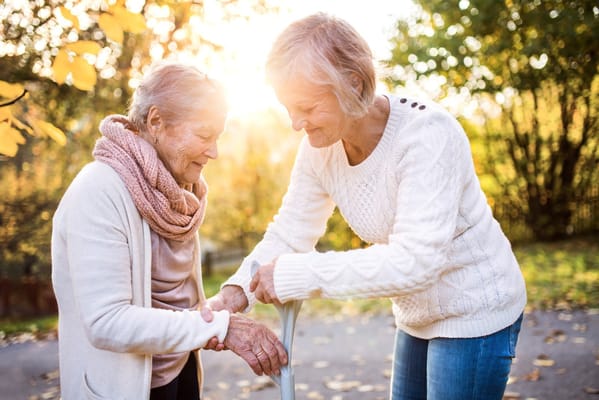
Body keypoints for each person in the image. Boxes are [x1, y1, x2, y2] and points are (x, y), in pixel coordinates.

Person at [206, 12, 527, 400]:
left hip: (474, 310)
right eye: (287, 107)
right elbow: (291, 232)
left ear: (352, 83)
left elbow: (416, 262)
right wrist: (236, 291)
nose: (295, 123)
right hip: (417, 316)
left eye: (306, 107)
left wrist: (298, 274)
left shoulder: (428, 137)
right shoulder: (319, 149)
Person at [51, 61, 287, 400]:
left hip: (181, 370)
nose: (214, 152)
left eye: (217, 137)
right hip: (125, 389)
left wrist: (222, 307)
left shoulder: (179, 191)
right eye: (204, 135)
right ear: (156, 122)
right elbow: (107, 321)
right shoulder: (98, 190)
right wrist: (220, 327)